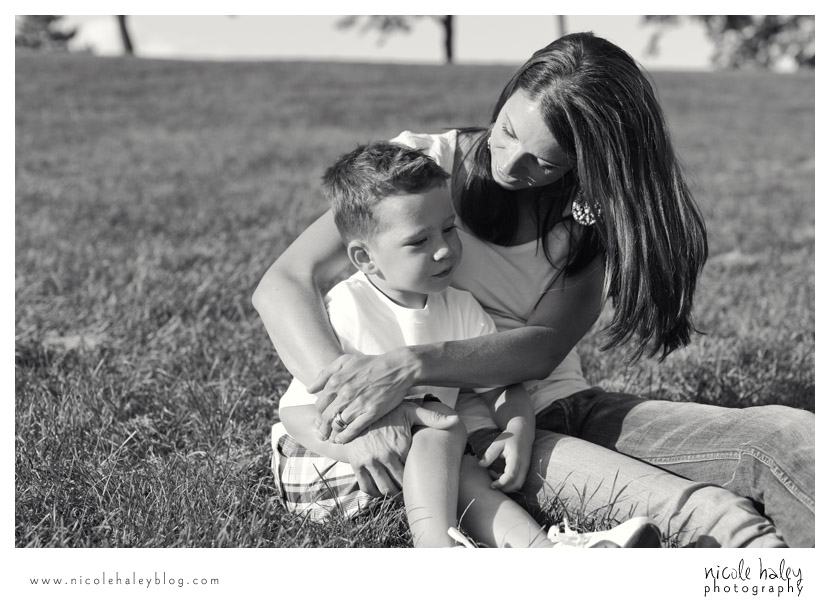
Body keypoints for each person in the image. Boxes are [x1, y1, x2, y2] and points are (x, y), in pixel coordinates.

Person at [254, 32, 814, 547]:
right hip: (480, 432)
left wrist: (410, 364)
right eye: (507, 129)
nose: (508, 161)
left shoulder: (589, 217)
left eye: (543, 161)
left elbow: (542, 346)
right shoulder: (422, 172)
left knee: (790, 436)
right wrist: (355, 412)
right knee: (721, 516)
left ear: (584, 165)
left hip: (562, 404)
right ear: (506, 96)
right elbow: (283, 283)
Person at [272, 141, 662, 548]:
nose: (443, 249)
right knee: (442, 424)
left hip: (414, 462)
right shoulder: (348, 307)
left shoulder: (459, 306)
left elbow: (500, 385)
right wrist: (352, 447)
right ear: (366, 259)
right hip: (325, 463)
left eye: (448, 229)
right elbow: (298, 412)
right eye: (418, 242)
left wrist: (517, 429)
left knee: (465, 466)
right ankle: (437, 550)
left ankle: (544, 552)